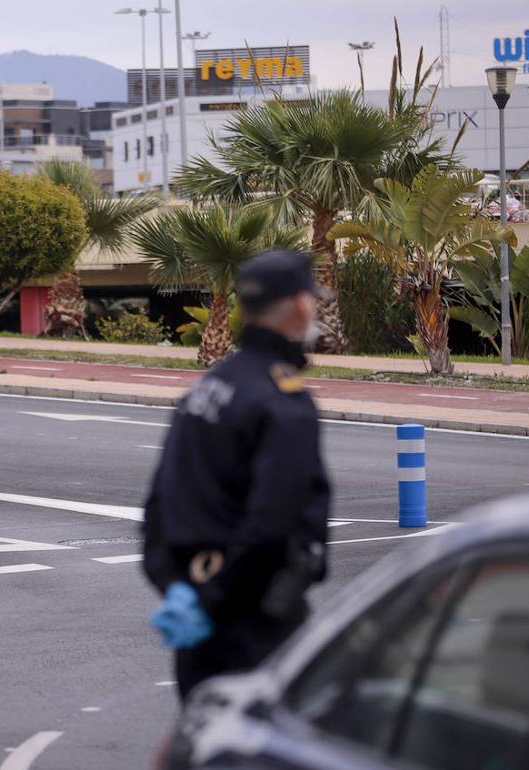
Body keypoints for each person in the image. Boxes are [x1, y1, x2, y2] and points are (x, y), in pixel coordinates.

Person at [142, 249, 332, 702]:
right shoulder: (281, 401)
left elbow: (159, 503)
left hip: (193, 616)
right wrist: (220, 598)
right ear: (301, 305)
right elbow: (273, 522)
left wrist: (177, 588)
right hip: (255, 620)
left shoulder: (208, 387)